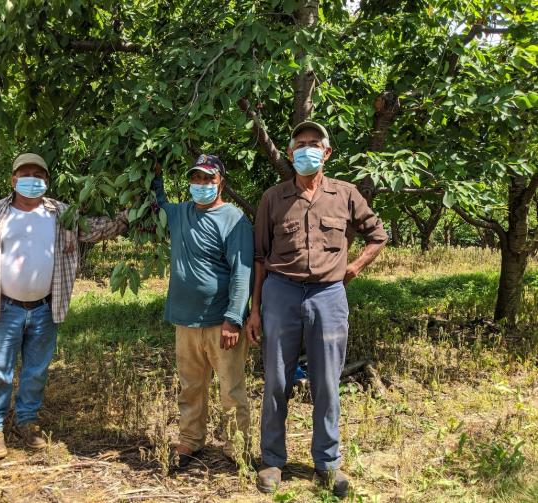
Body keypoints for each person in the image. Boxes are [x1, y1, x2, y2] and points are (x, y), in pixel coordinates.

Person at [247, 122, 388, 497]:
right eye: (299, 144)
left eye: (314, 144)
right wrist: (255, 309)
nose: (306, 149)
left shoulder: (345, 194)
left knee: (327, 382)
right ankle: (272, 460)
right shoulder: (272, 198)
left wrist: (355, 267)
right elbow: (260, 256)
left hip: (328, 295)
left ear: (326, 153)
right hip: (280, 293)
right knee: (277, 380)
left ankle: (327, 464)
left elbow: (378, 234)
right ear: (290, 153)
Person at [0, 153, 128, 460]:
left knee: (36, 371)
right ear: (13, 180)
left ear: (47, 181)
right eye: (25, 174)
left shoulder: (60, 212)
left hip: (45, 308)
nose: (32, 179)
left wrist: (128, 214)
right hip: (5, 307)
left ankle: (27, 421)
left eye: (39, 174)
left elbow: (93, 230)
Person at [152, 154, 254, 467]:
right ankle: (190, 441)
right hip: (186, 320)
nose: (201, 185)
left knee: (231, 389)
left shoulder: (233, 219)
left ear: (220, 181)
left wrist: (234, 319)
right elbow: (155, 201)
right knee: (190, 385)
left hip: (221, 322)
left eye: (208, 179)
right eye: (196, 178)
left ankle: (237, 448)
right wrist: (154, 172)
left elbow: (242, 271)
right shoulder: (180, 212)